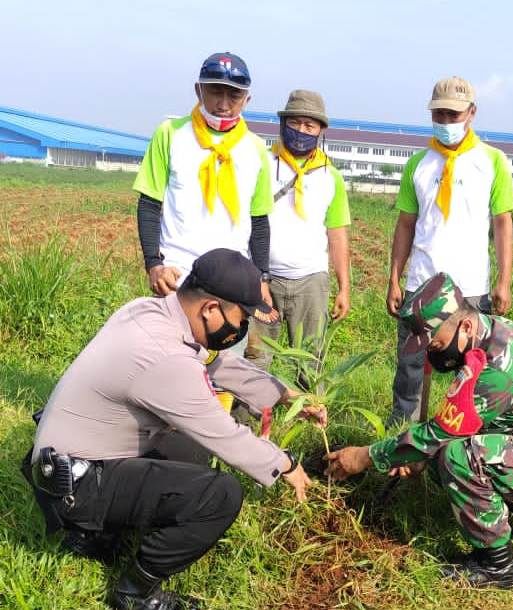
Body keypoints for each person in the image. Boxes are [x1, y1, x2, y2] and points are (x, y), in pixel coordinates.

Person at [22, 249, 323, 610]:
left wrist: (284, 396)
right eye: (241, 317)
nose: (243, 328)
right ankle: (135, 591)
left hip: (66, 460)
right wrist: (285, 464)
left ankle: (94, 534)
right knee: (219, 495)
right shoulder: (163, 358)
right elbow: (224, 434)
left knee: (191, 454)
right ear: (211, 309)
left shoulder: (153, 311)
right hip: (72, 484)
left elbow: (218, 364)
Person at [327, 273, 513, 589]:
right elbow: (455, 421)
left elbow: (441, 432)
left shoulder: (500, 365)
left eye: (435, 343)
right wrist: (420, 451)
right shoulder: (487, 333)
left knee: (460, 456)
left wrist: (365, 456)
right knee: (447, 447)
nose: (433, 353)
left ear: (464, 326)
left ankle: (498, 565)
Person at [386, 76, 513, 424]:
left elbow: (503, 224)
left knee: (471, 371)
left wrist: (503, 282)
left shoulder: (492, 161)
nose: (445, 122)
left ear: (471, 113)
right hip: (421, 283)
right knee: (410, 368)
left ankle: (461, 440)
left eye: (453, 115)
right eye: (439, 115)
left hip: (471, 289)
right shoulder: (419, 163)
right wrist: (394, 280)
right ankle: (402, 440)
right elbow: (405, 224)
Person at [133, 51, 275, 325]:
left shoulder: (256, 149)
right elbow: (150, 204)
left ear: (247, 99)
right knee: (173, 358)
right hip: (177, 275)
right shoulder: (170, 133)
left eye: (233, 96)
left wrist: (262, 277)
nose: (223, 104)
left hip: (233, 278)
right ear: (199, 91)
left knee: (224, 361)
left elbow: (258, 220)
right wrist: (153, 264)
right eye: (215, 92)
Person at [245, 90, 351, 371]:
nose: (301, 131)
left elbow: (337, 234)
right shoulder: (262, 165)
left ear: (320, 131)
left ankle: (306, 413)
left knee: (309, 360)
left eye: (309, 126)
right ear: (283, 124)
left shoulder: (332, 177)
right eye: (294, 123)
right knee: (255, 357)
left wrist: (344, 287)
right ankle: (247, 415)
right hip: (262, 278)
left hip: (310, 281)